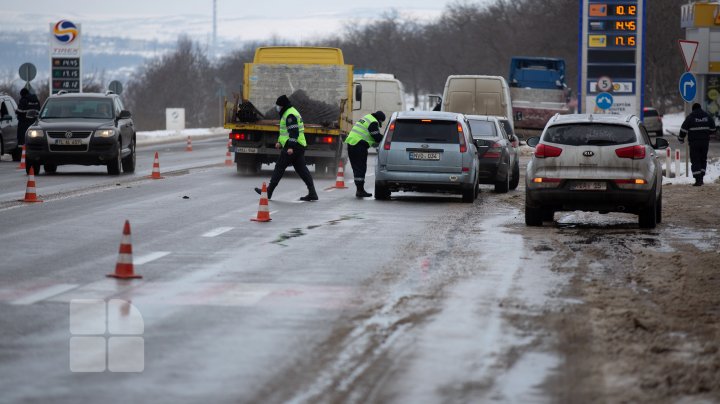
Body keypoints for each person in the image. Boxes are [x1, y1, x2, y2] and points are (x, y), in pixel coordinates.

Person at [254, 95, 318, 201]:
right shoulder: (288, 112)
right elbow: (285, 131)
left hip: (293, 146)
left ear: (283, 105)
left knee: (279, 167)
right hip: (298, 145)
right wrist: (279, 142)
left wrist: (291, 147)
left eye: (278, 106)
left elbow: (294, 132)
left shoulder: (290, 115)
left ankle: (268, 192)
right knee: (302, 170)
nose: (277, 108)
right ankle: (312, 193)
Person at [345, 111, 385, 197]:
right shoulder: (373, 122)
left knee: (357, 168)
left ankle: (359, 190)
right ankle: (360, 191)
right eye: (381, 122)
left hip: (352, 144)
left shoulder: (367, 118)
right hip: (359, 145)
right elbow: (377, 137)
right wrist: (386, 138)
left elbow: (369, 136)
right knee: (360, 168)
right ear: (380, 119)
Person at [679, 102, 716, 186]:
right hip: (705, 142)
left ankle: (698, 180)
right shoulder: (707, 116)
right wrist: (706, 133)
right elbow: (713, 129)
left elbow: (683, 129)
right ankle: (701, 178)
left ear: (693, 109)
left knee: (695, 160)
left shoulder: (690, 117)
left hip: (694, 143)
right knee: (703, 159)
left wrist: (681, 139)